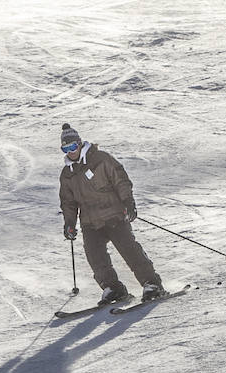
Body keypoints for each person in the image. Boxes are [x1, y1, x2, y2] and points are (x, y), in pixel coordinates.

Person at [58, 123, 164, 304]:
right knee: (95, 256)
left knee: (129, 249)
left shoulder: (100, 159)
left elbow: (120, 180)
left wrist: (128, 203)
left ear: (79, 143)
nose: (71, 151)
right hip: (90, 222)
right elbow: (68, 203)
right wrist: (69, 224)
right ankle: (113, 288)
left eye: (73, 146)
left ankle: (151, 283)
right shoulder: (67, 174)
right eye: (66, 148)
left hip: (114, 214)